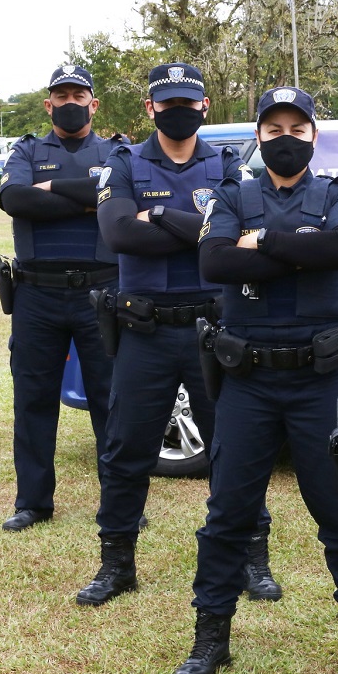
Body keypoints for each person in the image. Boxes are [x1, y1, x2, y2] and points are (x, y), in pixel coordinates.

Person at [172, 86, 338, 674]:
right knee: (227, 512)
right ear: (258, 136)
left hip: (320, 383)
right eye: (274, 128)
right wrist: (300, 254)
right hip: (248, 383)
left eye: (297, 127)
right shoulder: (232, 193)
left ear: (314, 134)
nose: (285, 138)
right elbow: (215, 264)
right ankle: (212, 635)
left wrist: (260, 242)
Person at [78, 62, 254, 606]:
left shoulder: (227, 166)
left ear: (205, 106)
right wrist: (201, 232)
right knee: (126, 449)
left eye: (188, 102)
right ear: (150, 108)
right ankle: (117, 563)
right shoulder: (124, 163)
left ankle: (252, 559)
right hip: (144, 331)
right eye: (167, 103)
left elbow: (236, 239)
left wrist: (157, 221)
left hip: (214, 327)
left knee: (236, 449)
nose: (178, 111)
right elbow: (117, 234)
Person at [0, 64, 120, 533]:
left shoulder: (116, 151)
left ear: (94, 103)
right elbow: (16, 200)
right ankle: (33, 502)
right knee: (33, 399)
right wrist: (91, 199)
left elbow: (118, 196)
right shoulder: (27, 149)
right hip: (36, 297)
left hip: (101, 295)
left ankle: (120, 500)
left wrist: (52, 190)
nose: (70, 103)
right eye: (61, 95)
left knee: (112, 402)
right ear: (48, 104)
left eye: (78, 95)